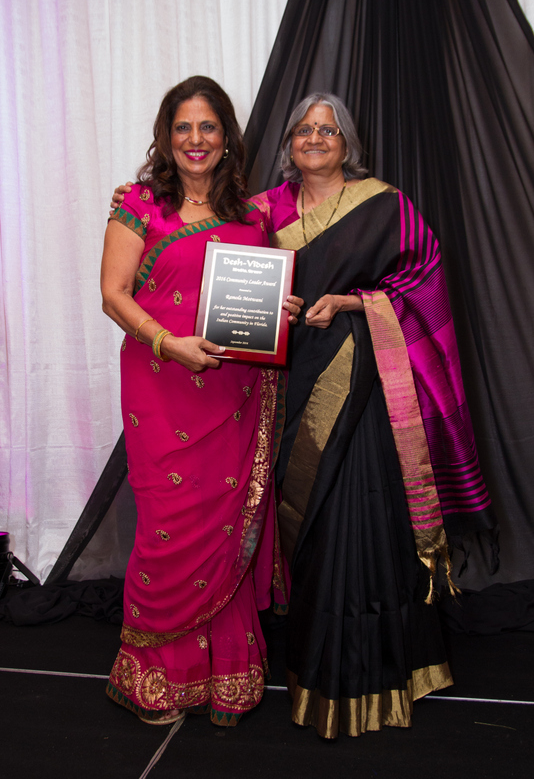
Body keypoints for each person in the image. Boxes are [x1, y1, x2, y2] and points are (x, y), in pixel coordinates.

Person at [111, 92, 494, 739]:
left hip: (361, 394)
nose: (315, 139)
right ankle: (294, 662)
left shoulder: (386, 205)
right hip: (280, 395)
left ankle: (368, 670)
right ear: (288, 142)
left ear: (348, 142)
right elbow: (223, 273)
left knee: (359, 528)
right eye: (304, 130)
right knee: (297, 536)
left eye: (328, 130)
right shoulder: (261, 210)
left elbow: (423, 281)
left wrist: (351, 302)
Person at [100, 76, 301, 727]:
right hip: (161, 389)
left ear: (226, 137)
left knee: (226, 527)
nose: (195, 139)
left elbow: (258, 299)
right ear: (166, 136)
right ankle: (157, 677)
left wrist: (281, 310)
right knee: (168, 530)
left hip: (233, 395)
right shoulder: (139, 205)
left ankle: (225, 677)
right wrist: (169, 343)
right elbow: (113, 295)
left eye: (207, 126)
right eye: (182, 127)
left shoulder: (255, 215)